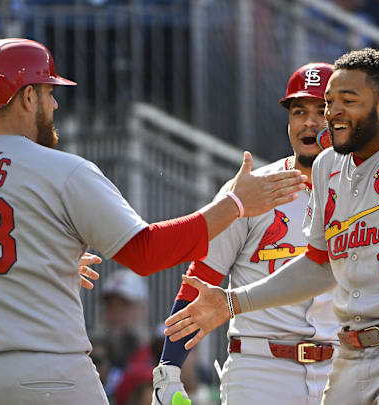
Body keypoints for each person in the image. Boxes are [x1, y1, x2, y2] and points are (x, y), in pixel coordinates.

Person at [0, 38, 306, 405]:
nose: (55, 105)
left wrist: (44, 259)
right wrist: (234, 205)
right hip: (47, 375)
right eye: (49, 93)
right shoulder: (61, 170)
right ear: (27, 96)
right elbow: (146, 253)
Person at [163, 48, 379, 405]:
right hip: (335, 357)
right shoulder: (326, 168)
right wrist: (229, 305)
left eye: (347, 100)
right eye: (327, 102)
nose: (329, 114)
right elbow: (318, 265)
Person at [151, 63, 340, 405]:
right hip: (260, 369)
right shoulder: (252, 190)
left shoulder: (362, 193)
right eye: (299, 111)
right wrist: (169, 368)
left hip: (340, 370)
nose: (309, 122)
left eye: (321, 111)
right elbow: (202, 278)